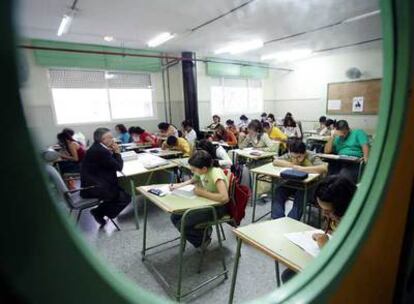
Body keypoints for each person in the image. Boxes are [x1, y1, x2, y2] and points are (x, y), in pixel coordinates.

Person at [281, 175, 357, 283]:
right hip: (328, 259)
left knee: (290, 277)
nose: (324, 214)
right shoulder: (337, 216)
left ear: (343, 208)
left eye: (328, 211)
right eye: (321, 208)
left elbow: (345, 264)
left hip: (342, 275)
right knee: (288, 274)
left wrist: (325, 246)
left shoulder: (356, 224)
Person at [170, 150, 229, 249]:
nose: (192, 171)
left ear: (204, 168)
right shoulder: (202, 171)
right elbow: (194, 179)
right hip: (206, 203)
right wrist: (178, 185)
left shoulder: (215, 174)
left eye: (194, 169)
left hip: (218, 208)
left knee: (183, 223)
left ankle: (202, 240)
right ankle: (202, 232)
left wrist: (203, 193)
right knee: (174, 216)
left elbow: (224, 198)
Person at [80, 128, 131, 226]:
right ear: (103, 139)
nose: (113, 139)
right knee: (125, 198)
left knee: (123, 194)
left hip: (94, 182)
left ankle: (100, 211)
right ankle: (99, 212)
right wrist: (117, 152)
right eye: (111, 137)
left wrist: (111, 153)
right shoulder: (101, 151)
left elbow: (108, 164)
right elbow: (119, 167)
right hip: (95, 187)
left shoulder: (97, 147)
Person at [272, 140, 327, 220]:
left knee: (301, 195)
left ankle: (291, 220)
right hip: (295, 182)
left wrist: (302, 169)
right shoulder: (291, 154)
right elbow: (276, 161)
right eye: (293, 157)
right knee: (279, 190)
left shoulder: (311, 155)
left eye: (299, 157)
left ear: (304, 153)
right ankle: (278, 218)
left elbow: (324, 168)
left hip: (312, 184)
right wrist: (292, 165)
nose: (296, 159)